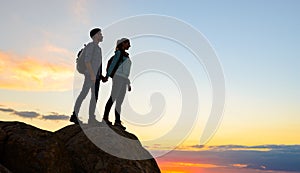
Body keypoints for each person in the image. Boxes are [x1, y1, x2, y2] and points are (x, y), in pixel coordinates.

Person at [70, 28, 107, 125]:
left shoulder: (98, 49)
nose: (102, 36)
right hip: (90, 76)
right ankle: (74, 116)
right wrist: (92, 75)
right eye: (100, 34)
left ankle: (91, 118)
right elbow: (87, 61)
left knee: (94, 97)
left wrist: (100, 75)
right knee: (83, 94)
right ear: (95, 36)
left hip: (96, 76)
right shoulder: (91, 46)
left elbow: (97, 64)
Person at [102, 38, 132, 130]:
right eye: (128, 43)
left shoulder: (126, 56)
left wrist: (128, 83)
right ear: (123, 44)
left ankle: (117, 121)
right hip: (118, 78)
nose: (129, 46)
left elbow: (126, 71)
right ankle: (105, 118)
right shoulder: (119, 54)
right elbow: (113, 64)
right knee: (113, 97)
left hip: (123, 80)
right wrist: (107, 76)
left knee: (119, 101)